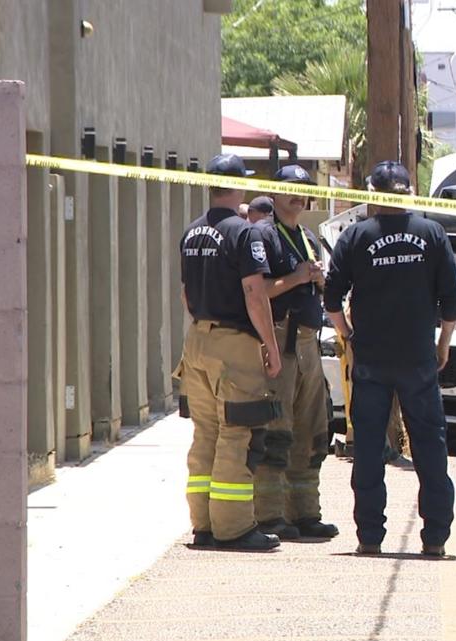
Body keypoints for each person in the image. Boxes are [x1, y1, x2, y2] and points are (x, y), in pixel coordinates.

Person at [324, 160, 456, 556]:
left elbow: (332, 297)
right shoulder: (432, 234)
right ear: (407, 193)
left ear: (372, 193)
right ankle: (435, 538)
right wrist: (443, 343)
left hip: (370, 358)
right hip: (418, 358)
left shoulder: (356, 236)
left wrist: (346, 335)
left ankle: (370, 536)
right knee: (430, 447)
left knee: (368, 448)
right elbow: (451, 299)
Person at [174, 153, 284, 552]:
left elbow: (187, 293)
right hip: (233, 346)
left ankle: (203, 525)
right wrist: (270, 346)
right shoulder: (245, 233)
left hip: (196, 341)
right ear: (238, 186)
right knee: (238, 434)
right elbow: (255, 294)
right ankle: (233, 527)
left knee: (205, 433)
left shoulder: (191, 233)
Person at [252, 165, 338, 540]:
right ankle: (271, 516)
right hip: (280, 342)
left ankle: (306, 513)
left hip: (309, 345)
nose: (298, 196)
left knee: (313, 433)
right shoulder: (263, 236)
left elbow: (310, 282)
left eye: (303, 189)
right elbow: (258, 291)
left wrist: (317, 279)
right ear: (273, 193)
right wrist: (298, 278)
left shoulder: (306, 235)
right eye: (289, 189)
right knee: (276, 433)